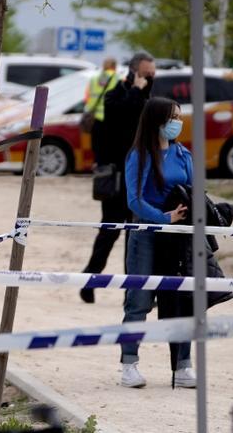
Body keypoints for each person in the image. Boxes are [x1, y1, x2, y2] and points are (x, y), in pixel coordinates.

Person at [118, 97, 194, 390]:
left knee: (180, 299)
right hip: (146, 236)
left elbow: (194, 189)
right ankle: (129, 365)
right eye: (172, 117)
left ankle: (183, 367)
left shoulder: (183, 153)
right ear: (156, 120)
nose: (177, 122)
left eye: (179, 116)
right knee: (138, 301)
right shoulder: (139, 154)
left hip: (178, 238)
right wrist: (164, 218)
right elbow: (134, 199)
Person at [80, 52, 155, 304]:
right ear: (133, 72)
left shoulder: (149, 98)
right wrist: (135, 90)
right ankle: (89, 280)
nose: (149, 79)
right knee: (110, 229)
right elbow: (122, 119)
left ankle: (131, 290)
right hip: (115, 176)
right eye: (145, 74)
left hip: (139, 177)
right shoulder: (115, 96)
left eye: (152, 75)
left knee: (135, 234)